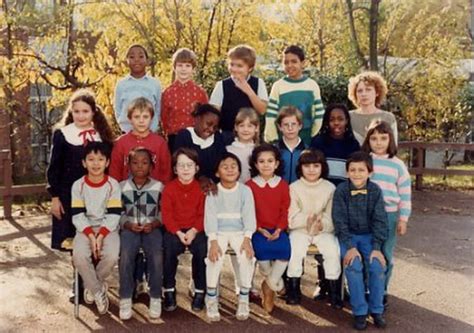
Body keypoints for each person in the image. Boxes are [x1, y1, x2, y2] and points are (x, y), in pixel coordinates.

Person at [47, 89, 114, 302]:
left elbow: (109, 167)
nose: (81, 115)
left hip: (97, 195)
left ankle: (93, 281)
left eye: (85, 111)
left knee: (96, 237)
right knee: (75, 241)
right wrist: (55, 197)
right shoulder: (63, 134)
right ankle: (78, 282)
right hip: (69, 196)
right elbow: (54, 168)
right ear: (71, 112)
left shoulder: (101, 135)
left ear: (93, 112)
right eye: (76, 111)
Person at [333, 151, 388, 330]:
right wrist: (349, 246)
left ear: (370, 172)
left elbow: (380, 220)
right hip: (347, 237)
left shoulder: (375, 191)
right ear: (347, 172)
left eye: (361, 170)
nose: (357, 173)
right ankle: (359, 311)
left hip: (369, 236)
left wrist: (377, 247)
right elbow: (339, 220)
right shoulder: (341, 190)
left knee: (377, 266)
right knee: (353, 265)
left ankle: (377, 309)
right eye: (353, 170)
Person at [362, 121, 411, 307]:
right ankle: (367, 288)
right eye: (374, 138)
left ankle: (382, 290)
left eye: (383, 138)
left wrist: (403, 219)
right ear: (368, 140)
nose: (379, 142)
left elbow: (405, 194)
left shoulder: (398, 165)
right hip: (366, 215)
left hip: (389, 215)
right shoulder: (366, 161)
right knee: (367, 251)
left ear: (390, 139)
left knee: (385, 253)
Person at [204, 152, 256, 321]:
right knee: (214, 258)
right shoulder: (212, 191)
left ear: (239, 171)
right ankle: (211, 298)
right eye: (225, 167)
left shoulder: (245, 190)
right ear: (217, 172)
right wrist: (212, 241)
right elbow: (210, 217)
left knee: (246, 257)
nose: (230, 169)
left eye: (234, 166)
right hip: (218, 233)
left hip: (240, 233)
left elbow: (249, 215)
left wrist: (248, 239)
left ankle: (243, 298)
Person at [286, 149, 342, 308]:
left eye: (316, 166)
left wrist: (322, 224)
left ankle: (333, 291)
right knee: (295, 250)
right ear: (300, 168)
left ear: (322, 167)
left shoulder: (330, 188)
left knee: (332, 251)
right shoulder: (294, 188)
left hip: (322, 229)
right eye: (307, 166)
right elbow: (291, 216)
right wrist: (307, 220)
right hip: (300, 229)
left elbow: (331, 215)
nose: (311, 170)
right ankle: (294, 289)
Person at [71, 142, 121, 315]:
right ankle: (98, 291)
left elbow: (114, 214)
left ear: (107, 162)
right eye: (91, 159)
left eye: (100, 159)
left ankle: (93, 285)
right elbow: (77, 215)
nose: (96, 163)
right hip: (84, 228)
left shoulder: (113, 185)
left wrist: (101, 236)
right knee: (79, 255)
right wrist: (92, 236)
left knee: (112, 254)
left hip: (108, 227)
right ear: (84, 163)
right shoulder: (78, 185)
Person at [118, 147, 164, 320]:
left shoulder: (159, 187)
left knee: (157, 254)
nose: (139, 166)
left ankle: (155, 296)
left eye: (145, 163)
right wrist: (127, 224)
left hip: (152, 229)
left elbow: (164, 211)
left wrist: (155, 223)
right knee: (126, 253)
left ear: (151, 166)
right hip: (130, 229)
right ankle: (125, 297)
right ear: (128, 165)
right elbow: (116, 212)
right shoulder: (121, 187)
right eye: (135, 163)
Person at [161, 148, 207, 312]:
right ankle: (169, 289)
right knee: (168, 249)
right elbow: (167, 215)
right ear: (175, 169)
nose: (186, 169)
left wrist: (194, 230)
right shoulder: (169, 189)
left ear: (197, 168)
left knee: (202, 250)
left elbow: (203, 214)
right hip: (175, 230)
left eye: (189, 165)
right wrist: (179, 232)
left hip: (196, 229)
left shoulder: (202, 188)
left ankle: (200, 290)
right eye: (181, 165)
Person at [246, 144, 291, 313]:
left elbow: (285, 209)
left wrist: (279, 229)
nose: (266, 164)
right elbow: (248, 211)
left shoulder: (283, 185)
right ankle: (276, 284)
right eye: (262, 161)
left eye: (270, 161)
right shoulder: (249, 185)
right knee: (262, 252)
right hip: (258, 230)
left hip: (278, 229)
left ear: (277, 164)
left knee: (284, 250)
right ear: (256, 164)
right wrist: (258, 228)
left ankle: (268, 285)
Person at [265, 45, 324, 145]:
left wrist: (314, 135)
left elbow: (319, 114)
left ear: (303, 63)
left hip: (306, 139)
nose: (289, 65)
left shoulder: (312, 85)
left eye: (294, 61)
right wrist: (272, 139)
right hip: (283, 140)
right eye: (286, 62)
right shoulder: (278, 86)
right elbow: (271, 115)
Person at [209, 44, 268, 143]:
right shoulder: (221, 85)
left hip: (250, 135)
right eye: (232, 64)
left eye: (240, 66)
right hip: (226, 136)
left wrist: (248, 91)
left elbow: (262, 110)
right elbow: (214, 113)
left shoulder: (258, 83)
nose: (235, 69)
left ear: (250, 68)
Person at [109, 97, 172, 184]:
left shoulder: (160, 143)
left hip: (154, 194)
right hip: (126, 193)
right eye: (137, 117)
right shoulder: (121, 143)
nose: (141, 121)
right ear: (130, 119)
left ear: (151, 118)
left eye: (145, 117)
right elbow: (114, 172)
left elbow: (166, 173)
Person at [161, 48, 209, 151]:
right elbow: (164, 118)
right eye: (180, 65)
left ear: (193, 68)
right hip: (174, 138)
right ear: (174, 67)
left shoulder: (200, 93)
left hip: (195, 138)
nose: (183, 69)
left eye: (188, 66)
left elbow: (205, 117)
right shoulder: (167, 93)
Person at [173, 103, 227, 193]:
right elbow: (180, 163)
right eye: (208, 124)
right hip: (187, 186)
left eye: (215, 127)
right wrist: (200, 178)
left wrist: (213, 182)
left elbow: (222, 162)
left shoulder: (217, 138)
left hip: (212, 187)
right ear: (197, 119)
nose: (211, 130)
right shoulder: (184, 136)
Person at [114, 44, 161, 133]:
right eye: (132, 57)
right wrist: (124, 128)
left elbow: (158, 109)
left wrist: (153, 128)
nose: (136, 60)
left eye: (141, 56)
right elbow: (118, 109)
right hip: (127, 133)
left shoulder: (155, 84)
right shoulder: (121, 84)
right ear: (126, 61)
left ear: (147, 60)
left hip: (150, 132)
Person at [311, 103, 360, 186]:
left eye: (340, 119)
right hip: (322, 191)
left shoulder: (353, 145)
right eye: (332, 119)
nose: (336, 123)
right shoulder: (318, 142)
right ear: (327, 122)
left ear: (346, 121)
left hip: (344, 193)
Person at [348, 71, 398, 145]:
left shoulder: (388, 117)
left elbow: (393, 146)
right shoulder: (348, 117)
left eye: (368, 90)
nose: (363, 94)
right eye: (359, 91)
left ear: (377, 92)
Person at [226, 108, 260, 183]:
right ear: (236, 127)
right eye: (242, 126)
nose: (245, 129)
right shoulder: (228, 150)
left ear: (256, 128)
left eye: (249, 126)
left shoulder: (259, 151)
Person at [275, 106, 307, 184]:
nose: (290, 128)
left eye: (293, 124)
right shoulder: (274, 150)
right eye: (286, 125)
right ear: (280, 127)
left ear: (300, 126)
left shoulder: (307, 150)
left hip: (299, 193)